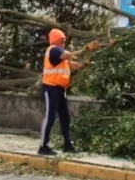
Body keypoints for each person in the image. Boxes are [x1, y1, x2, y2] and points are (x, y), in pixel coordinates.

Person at [38, 28, 96, 156]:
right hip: (51, 87)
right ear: (56, 40)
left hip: (61, 89)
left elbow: (73, 64)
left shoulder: (61, 54)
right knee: (50, 117)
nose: (64, 42)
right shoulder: (54, 50)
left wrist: (84, 64)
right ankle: (43, 146)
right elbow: (70, 55)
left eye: (64, 40)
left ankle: (67, 144)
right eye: (62, 40)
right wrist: (86, 49)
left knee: (65, 117)